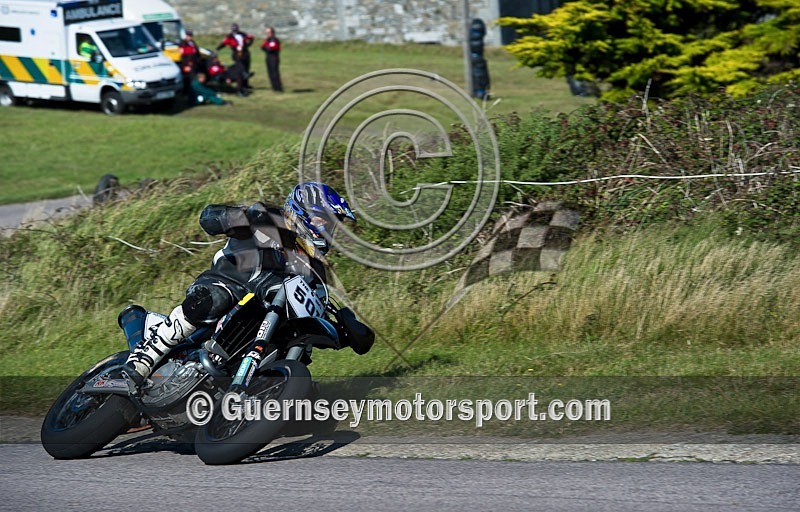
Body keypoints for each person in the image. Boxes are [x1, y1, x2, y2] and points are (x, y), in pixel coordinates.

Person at [120, 183, 370, 388]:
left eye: (331, 225)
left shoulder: (315, 270)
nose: (326, 229)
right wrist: (233, 218)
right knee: (214, 298)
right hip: (229, 284)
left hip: (267, 316)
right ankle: (146, 355)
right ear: (301, 211)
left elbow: (316, 305)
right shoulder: (268, 220)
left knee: (300, 357)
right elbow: (208, 218)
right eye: (322, 220)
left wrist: (348, 328)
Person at [216, 23, 254, 90]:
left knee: (246, 68)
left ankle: (246, 84)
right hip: (236, 53)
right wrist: (217, 48)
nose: (235, 30)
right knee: (241, 69)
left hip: (245, 52)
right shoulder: (229, 36)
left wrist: (248, 45)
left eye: (236, 29)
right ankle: (240, 85)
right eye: (234, 29)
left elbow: (251, 38)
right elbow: (224, 43)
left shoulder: (242, 34)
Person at [260, 27, 283, 92]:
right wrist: (266, 47)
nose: (267, 34)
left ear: (272, 33)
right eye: (266, 33)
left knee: (274, 73)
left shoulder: (274, 40)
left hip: (274, 57)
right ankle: (274, 87)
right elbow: (262, 47)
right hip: (268, 57)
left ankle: (278, 88)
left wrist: (266, 47)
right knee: (270, 73)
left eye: (268, 32)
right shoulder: (267, 40)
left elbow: (271, 48)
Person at [179, 30, 201, 94]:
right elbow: (183, 55)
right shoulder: (183, 43)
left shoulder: (192, 43)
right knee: (189, 78)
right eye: (188, 36)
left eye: (190, 36)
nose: (189, 37)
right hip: (187, 64)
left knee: (193, 77)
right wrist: (187, 63)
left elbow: (196, 52)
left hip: (194, 63)